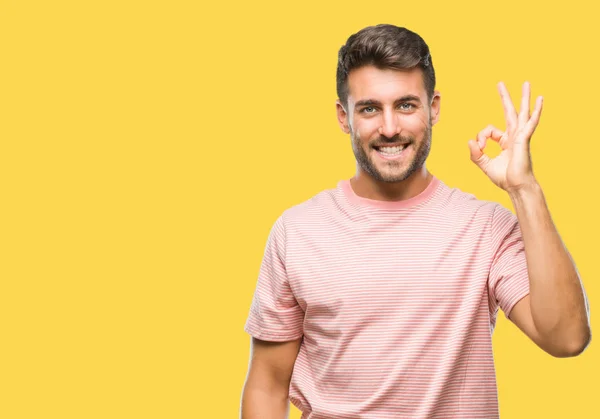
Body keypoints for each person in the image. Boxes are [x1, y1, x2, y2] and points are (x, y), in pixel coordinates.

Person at [240, 24, 591, 419]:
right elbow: (267, 387)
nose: (389, 128)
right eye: (370, 108)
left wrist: (524, 188)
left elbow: (568, 337)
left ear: (433, 107)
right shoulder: (297, 232)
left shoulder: (486, 228)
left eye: (406, 105)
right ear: (344, 116)